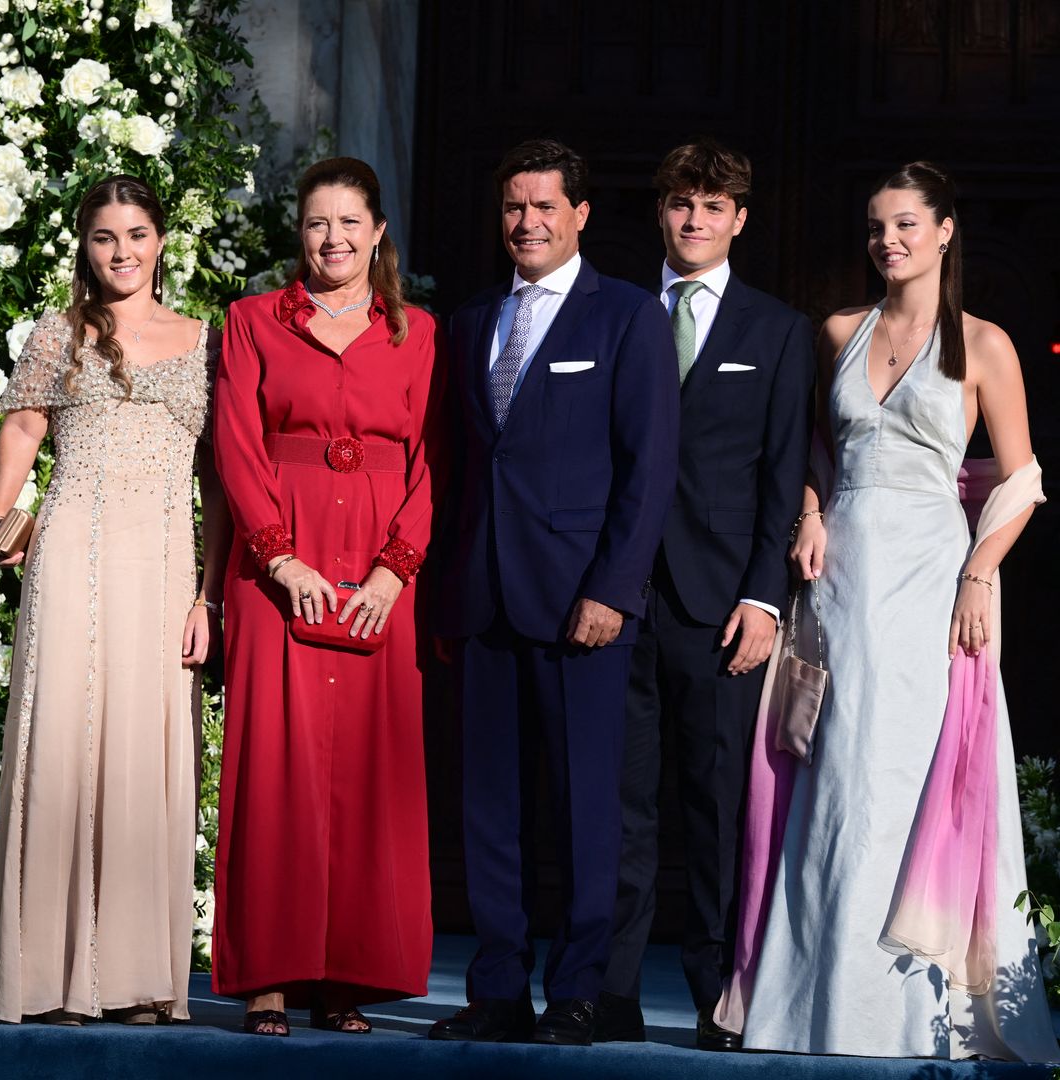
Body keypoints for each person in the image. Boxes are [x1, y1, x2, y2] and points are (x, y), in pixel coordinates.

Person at [721, 161, 1057, 1060]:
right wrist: (810, 511)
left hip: (930, 584)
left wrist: (981, 571)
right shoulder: (838, 329)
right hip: (838, 583)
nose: (889, 241)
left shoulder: (985, 344)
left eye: (907, 225)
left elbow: (1021, 480)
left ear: (945, 230)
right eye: (876, 227)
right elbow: (811, 454)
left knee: (903, 781)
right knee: (831, 780)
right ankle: (809, 1007)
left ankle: (907, 1016)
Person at [429, 139, 679, 1047]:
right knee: (490, 808)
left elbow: (649, 470)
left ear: (579, 215)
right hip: (485, 597)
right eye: (511, 208)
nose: (525, 223)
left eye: (543, 207)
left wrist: (614, 588)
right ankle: (496, 990)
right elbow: (462, 467)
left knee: (584, 808)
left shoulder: (628, 319)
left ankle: (580, 990)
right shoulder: (467, 322)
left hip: (585, 605)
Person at [0, 175, 225, 1024]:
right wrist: (1, 524)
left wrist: (208, 597)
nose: (122, 253)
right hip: (73, 555)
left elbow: (219, 482)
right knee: (63, 742)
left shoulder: (205, 339)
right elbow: (22, 427)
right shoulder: (58, 332)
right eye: (104, 238)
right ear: (83, 247)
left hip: (163, 565)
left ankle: (133, 980)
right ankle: (45, 977)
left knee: (145, 752)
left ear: (162, 239)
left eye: (137, 235)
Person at [211, 157, 444, 1037]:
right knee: (275, 764)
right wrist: (279, 559)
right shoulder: (249, 323)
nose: (333, 238)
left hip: (383, 564)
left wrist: (394, 570)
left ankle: (345, 975)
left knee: (369, 772)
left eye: (350, 222)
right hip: (283, 560)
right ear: (298, 233)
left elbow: (435, 460)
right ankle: (269, 975)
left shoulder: (416, 332)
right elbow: (236, 446)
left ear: (378, 231)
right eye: (317, 223)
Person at [598, 139, 814, 1050]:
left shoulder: (776, 331)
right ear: (661, 212)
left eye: (714, 206)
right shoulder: (608, 314)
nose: (695, 219)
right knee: (617, 806)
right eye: (682, 203)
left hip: (721, 607)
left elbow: (783, 474)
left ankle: (718, 997)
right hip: (615, 600)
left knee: (717, 809)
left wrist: (766, 601)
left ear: (740, 219)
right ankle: (606, 994)